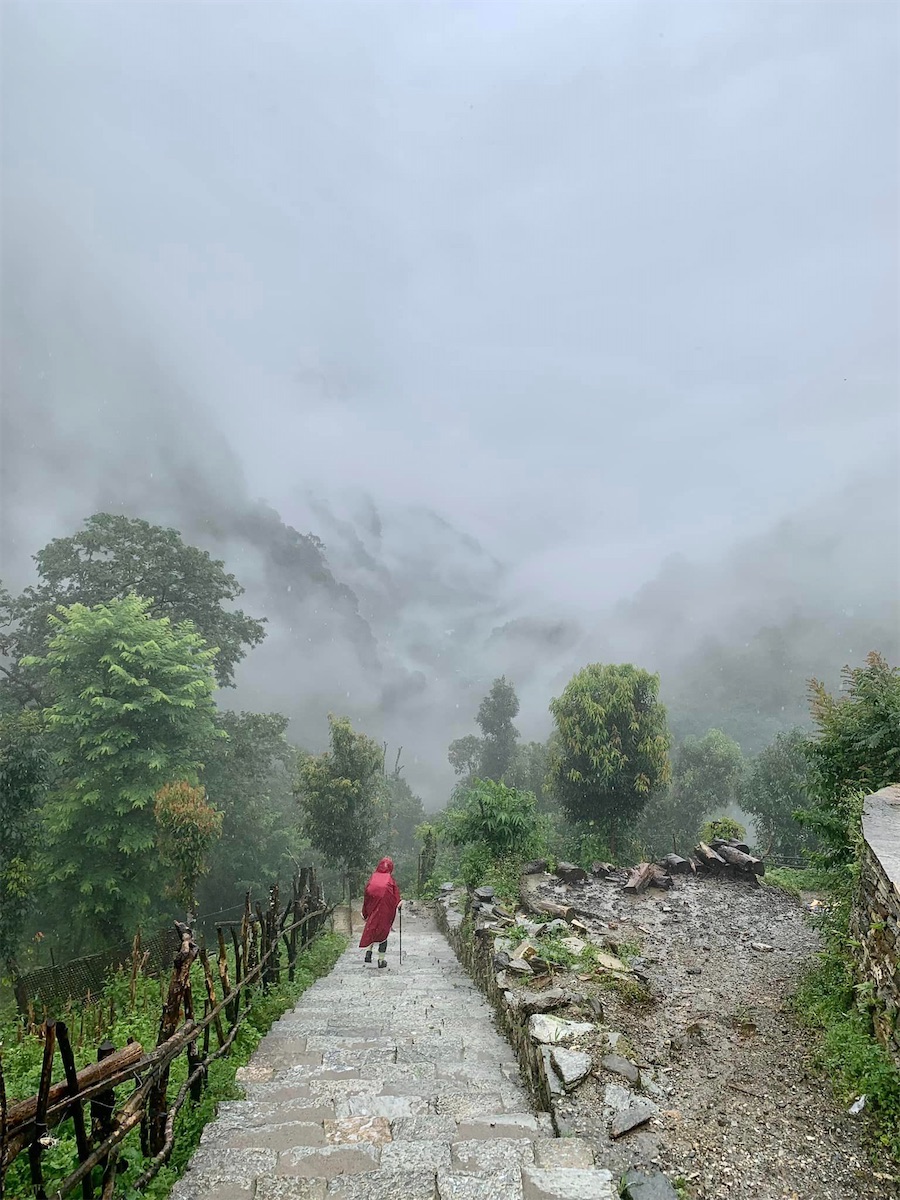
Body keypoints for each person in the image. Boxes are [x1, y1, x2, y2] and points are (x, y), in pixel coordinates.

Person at [359, 856, 401, 968]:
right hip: (385, 910)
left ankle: (368, 953)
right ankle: (381, 960)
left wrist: (365, 912)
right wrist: (399, 904)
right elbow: (397, 898)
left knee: (372, 928)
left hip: (373, 907)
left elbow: (366, 895)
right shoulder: (390, 880)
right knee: (383, 932)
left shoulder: (373, 878)